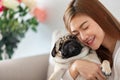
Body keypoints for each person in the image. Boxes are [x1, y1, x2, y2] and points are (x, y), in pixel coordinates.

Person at [62, 0, 120, 80]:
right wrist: (75, 67)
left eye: (85, 27)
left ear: (101, 16)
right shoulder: (92, 55)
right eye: (76, 34)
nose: (83, 37)